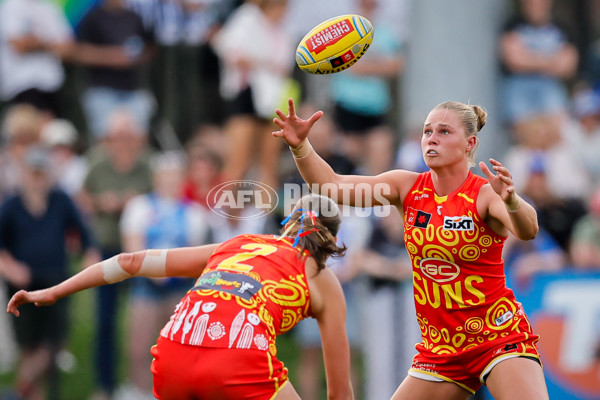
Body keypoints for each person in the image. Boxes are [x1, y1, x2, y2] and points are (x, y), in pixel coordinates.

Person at [273, 98, 549, 399]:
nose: (431, 138)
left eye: (444, 132)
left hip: (497, 338)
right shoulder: (405, 187)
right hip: (440, 350)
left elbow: (528, 229)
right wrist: (301, 147)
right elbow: (332, 185)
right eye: (427, 131)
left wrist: (512, 201)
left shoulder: (484, 193)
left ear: (470, 143)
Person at [7, 194, 354, 400]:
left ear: (285, 226)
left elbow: (130, 261)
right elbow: (339, 394)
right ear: (328, 244)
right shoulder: (323, 279)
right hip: (237, 358)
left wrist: (54, 290)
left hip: (172, 353)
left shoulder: (237, 243)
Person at [0, 146, 100, 400]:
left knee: (55, 341)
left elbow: (84, 234)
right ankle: (31, 394)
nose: (36, 179)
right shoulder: (11, 205)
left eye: (41, 173)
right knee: (28, 344)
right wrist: (11, 268)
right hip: (22, 287)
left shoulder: (60, 200)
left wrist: (89, 258)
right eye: (32, 173)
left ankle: (20, 388)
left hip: (56, 282)